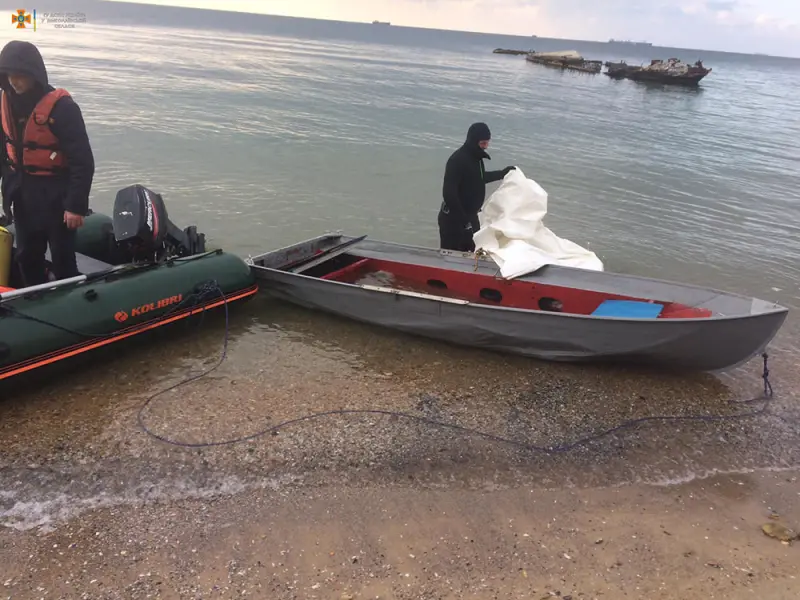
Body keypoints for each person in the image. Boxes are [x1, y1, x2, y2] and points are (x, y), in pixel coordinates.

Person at [0, 40, 94, 286]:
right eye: (9, 75)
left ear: (34, 74)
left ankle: (70, 298)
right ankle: (35, 295)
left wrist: (75, 206)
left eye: (20, 75)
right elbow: (3, 150)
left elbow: (83, 161)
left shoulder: (63, 109)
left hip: (56, 197)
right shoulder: (5, 105)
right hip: (22, 194)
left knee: (63, 260)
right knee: (26, 256)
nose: (14, 81)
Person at [438, 122, 515, 252]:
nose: (485, 147)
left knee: (474, 252)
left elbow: (478, 178)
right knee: (453, 256)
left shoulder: (476, 159)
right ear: (473, 141)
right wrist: (465, 224)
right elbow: (449, 194)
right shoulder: (457, 161)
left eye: (487, 143)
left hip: (470, 218)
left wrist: (502, 173)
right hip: (453, 220)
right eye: (482, 143)